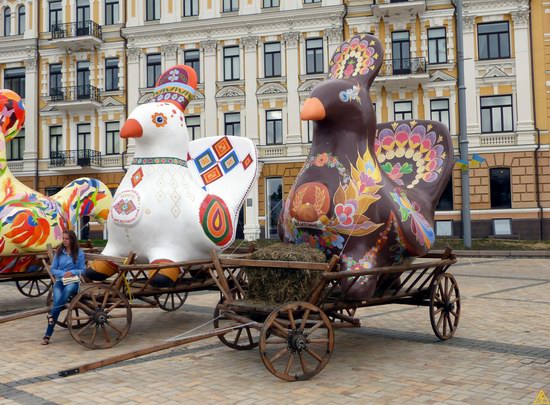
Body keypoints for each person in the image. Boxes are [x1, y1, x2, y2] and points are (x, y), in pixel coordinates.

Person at [42, 230, 85, 345]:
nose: (64, 241)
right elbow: (53, 269)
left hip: (73, 281)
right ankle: (48, 332)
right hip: (60, 281)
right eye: (63, 238)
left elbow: (82, 269)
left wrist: (72, 272)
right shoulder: (59, 252)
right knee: (57, 302)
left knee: (68, 290)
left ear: (72, 240)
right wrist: (62, 274)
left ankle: (47, 334)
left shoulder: (79, 253)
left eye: (67, 239)